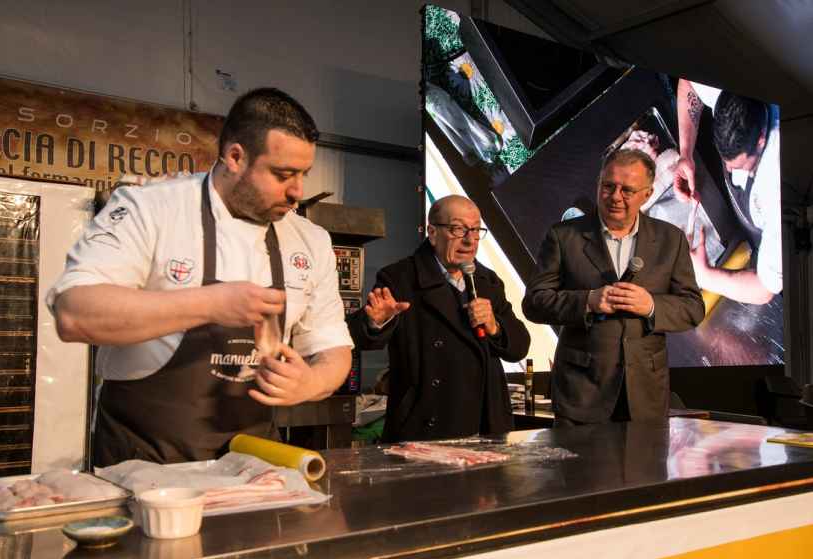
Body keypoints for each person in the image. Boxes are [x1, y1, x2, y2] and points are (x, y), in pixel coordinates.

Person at [48, 88, 352, 467]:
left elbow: (333, 349)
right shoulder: (151, 208)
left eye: (303, 174)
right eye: (282, 175)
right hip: (144, 463)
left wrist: (313, 381)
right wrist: (209, 304)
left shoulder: (310, 240)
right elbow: (74, 313)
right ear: (235, 157)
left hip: (252, 465)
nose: (297, 192)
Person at [522, 149, 704, 426]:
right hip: (581, 395)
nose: (615, 197)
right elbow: (535, 302)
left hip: (645, 397)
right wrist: (588, 301)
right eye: (608, 186)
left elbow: (693, 308)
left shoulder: (671, 239)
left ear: (647, 194)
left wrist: (651, 306)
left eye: (627, 190)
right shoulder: (564, 236)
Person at [347, 195, 530, 442]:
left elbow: (519, 347)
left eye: (476, 230)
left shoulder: (487, 281)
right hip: (426, 426)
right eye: (458, 229)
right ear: (432, 233)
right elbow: (358, 338)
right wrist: (376, 321)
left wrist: (494, 326)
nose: (469, 240)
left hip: (484, 424)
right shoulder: (400, 278)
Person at [673, 78, 781, 305]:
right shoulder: (730, 83)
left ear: (761, 140)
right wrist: (686, 153)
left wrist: (704, 276)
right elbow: (688, 83)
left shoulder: (778, 189)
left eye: (740, 165)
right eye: (726, 162)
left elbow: (764, 289)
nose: (730, 170)